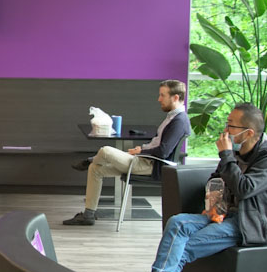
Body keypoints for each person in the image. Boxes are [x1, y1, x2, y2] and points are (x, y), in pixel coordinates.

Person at [117, 103, 267, 272]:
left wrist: (226, 155)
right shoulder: (236, 153)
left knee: (183, 246)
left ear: (248, 133)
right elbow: (216, 178)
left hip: (250, 224)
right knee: (178, 222)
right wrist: (215, 203)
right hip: (227, 215)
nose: (226, 130)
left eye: (231, 125)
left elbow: (244, 188)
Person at [64, 79, 189, 226]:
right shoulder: (172, 118)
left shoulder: (179, 121)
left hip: (151, 165)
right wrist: (141, 150)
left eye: (163, 95)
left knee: (105, 151)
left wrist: (141, 150)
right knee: (95, 169)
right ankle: (88, 215)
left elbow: (164, 151)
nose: (159, 99)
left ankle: (89, 160)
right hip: (144, 160)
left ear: (175, 97)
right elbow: (158, 144)